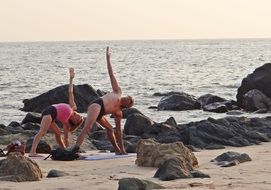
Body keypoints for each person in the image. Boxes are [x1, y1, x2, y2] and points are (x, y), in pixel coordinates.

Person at [74, 47, 134, 155]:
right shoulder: (117, 92)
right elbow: (111, 75)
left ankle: (118, 150)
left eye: (128, 100)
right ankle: (75, 149)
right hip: (96, 105)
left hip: (101, 114)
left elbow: (119, 132)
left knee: (111, 129)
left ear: (127, 106)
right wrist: (108, 59)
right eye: (127, 97)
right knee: (87, 128)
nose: (126, 98)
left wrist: (123, 149)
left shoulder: (118, 113)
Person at [29, 68, 84, 157]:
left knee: (58, 133)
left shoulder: (66, 123)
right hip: (50, 111)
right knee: (42, 132)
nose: (78, 114)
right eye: (80, 115)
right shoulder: (72, 107)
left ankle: (64, 150)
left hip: (51, 115)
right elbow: (70, 92)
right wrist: (71, 78)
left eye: (79, 117)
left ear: (75, 121)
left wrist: (67, 149)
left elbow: (66, 138)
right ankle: (32, 152)